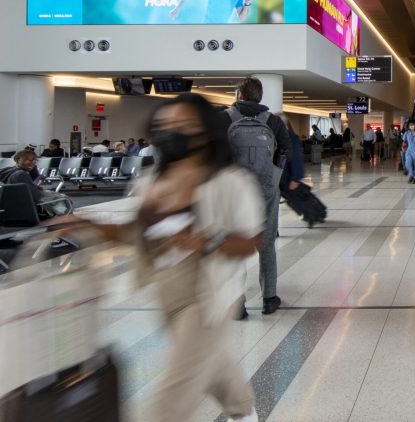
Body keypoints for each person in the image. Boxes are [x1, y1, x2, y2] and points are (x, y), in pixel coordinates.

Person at [56, 93, 261, 422]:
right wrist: (87, 224)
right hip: (167, 293)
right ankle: (245, 412)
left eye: (183, 125)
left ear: (205, 132)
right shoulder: (151, 180)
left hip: (207, 292)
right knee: (213, 367)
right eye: (165, 125)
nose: (171, 132)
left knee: (176, 390)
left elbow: (251, 240)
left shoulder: (229, 182)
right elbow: (134, 233)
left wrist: (206, 241)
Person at [224, 76, 290, 317]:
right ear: (260, 96)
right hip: (266, 190)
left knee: (233, 245)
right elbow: (285, 151)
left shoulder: (225, 118)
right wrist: (272, 178)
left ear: (239, 95)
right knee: (267, 244)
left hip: (233, 192)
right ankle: (269, 299)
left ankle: (236, 304)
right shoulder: (272, 121)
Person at [279, 113, 303, 192]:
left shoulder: (290, 137)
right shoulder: (281, 135)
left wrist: (296, 177)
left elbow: (296, 157)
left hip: (287, 176)